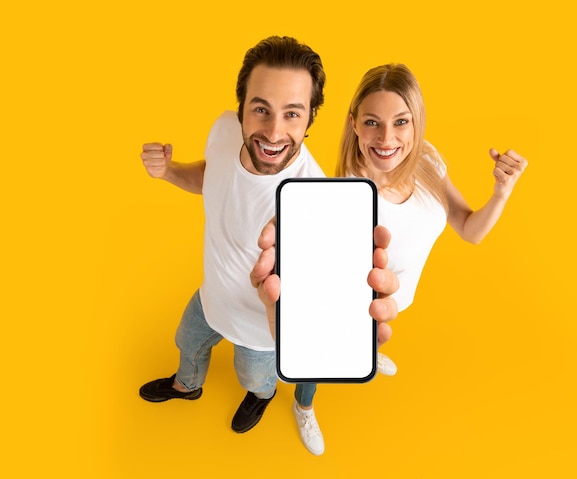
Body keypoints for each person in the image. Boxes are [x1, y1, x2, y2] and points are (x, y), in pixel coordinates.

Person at [137, 36, 399, 455]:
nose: (274, 132)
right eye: (261, 109)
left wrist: (341, 320)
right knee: (186, 344)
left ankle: (262, 397)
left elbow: (320, 293)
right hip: (209, 297)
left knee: (255, 379)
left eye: (291, 114)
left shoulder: (313, 196)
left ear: (310, 118)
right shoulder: (224, 129)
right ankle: (186, 387)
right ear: (241, 106)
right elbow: (212, 175)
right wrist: (169, 171)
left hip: (260, 331)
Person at [252, 63, 528, 455]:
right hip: (357, 309)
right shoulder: (347, 195)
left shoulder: (428, 160)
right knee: (321, 365)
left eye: (401, 122)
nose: (386, 138)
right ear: (353, 124)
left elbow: (470, 229)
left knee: (376, 334)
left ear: (417, 125)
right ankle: (304, 404)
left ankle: (369, 349)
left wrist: (501, 191)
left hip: (401, 298)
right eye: (372, 122)